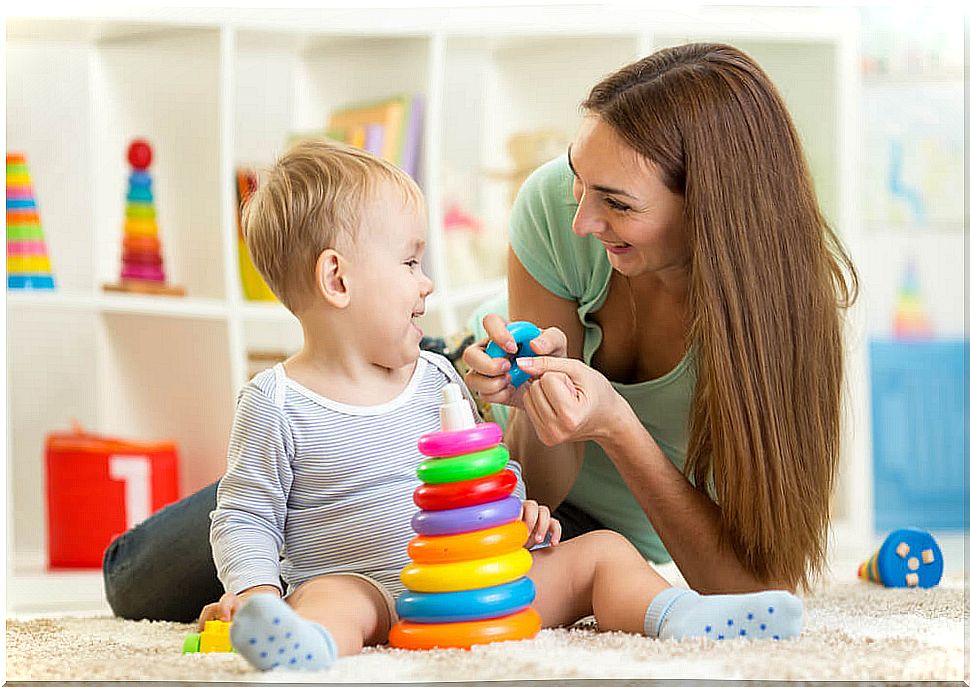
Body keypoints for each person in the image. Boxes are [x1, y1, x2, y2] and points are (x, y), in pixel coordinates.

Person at [196, 138, 802, 671]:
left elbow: (481, 476)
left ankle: (682, 616)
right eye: (410, 262)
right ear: (337, 279)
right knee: (330, 599)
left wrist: (520, 517)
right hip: (378, 595)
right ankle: (302, 646)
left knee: (602, 555)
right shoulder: (276, 401)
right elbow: (246, 515)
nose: (427, 282)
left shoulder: (436, 375)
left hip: (481, 586)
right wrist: (255, 595)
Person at [462, 42, 857, 595]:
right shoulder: (554, 207)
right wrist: (537, 398)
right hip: (482, 442)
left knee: (523, 586)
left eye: (618, 205)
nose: (581, 221)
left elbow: (762, 588)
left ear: (710, 212)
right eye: (579, 177)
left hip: (600, 536)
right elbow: (538, 492)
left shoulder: (783, 321)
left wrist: (616, 425)